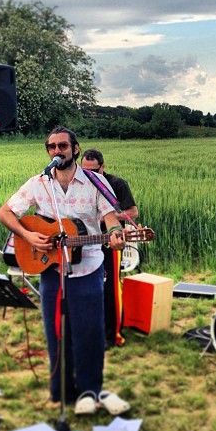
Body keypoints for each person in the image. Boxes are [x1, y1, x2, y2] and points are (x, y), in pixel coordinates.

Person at [0, 126, 130, 416]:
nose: (57, 151)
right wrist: (29, 236)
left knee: (89, 331)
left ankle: (89, 390)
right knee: (55, 330)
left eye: (62, 146)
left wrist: (117, 232)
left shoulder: (95, 182)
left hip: (88, 267)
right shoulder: (38, 183)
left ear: (75, 149)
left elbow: (110, 217)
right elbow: (5, 212)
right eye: (51, 147)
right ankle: (62, 390)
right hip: (51, 270)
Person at [81, 148, 138, 348]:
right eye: (85, 171)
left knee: (110, 287)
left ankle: (111, 335)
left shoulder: (117, 184)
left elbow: (133, 212)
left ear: (103, 167)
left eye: (94, 171)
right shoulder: (79, 184)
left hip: (109, 240)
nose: (89, 175)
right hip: (84, 242)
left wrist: (109, 215)